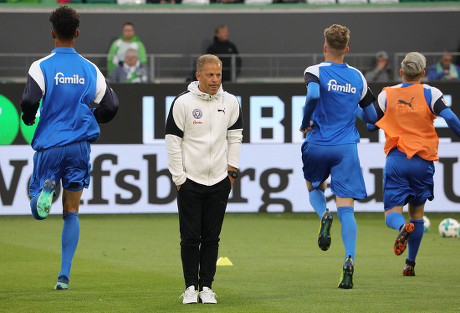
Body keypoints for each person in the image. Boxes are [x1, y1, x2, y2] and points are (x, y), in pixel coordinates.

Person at [20, 6, 119, 290]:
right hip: (79, 147)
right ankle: (63, 276)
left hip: (51, 143)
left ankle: (45, 194)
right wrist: (90, 117)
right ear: (76, 34)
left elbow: (29, 101)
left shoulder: (41, 66)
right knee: (72, 210)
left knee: (39, 208)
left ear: (53, 33)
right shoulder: (90, 69)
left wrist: (29, 118)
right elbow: (111, 106)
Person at [363, 52, 460, 276]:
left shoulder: (388, 94)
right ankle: (410, 264)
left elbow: (370, 125)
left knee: (391, 215)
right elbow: (452, 119)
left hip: (397, 160)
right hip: (423, 162)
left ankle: (400, 228)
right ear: (423, 73)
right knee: (417, 215)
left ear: (401, 72)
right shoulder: (431, 93)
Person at [300, 24, 378, 289]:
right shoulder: (358, 77)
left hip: (318, 142)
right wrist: (366, 121)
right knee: (347, 209)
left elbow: (312, 94)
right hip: (346, 147)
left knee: (313, 186)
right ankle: (349, 260)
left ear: (324, 47)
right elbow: (372, 116)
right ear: (347, 48)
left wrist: (305, 120)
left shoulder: (315, 71)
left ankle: (323, 214)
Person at [165, 54, 243, 304]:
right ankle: (190, 288)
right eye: (209, 75)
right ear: (198, 75)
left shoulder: (230, 102)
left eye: (218, 75)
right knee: (189, 238)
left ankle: (207, 288)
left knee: (212, 238)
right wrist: (179, 177)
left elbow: (236, 138)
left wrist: (231, 173)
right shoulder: (182, 103)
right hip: (190, 181)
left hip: (219, 181)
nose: (215, 80)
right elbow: (172, 142)